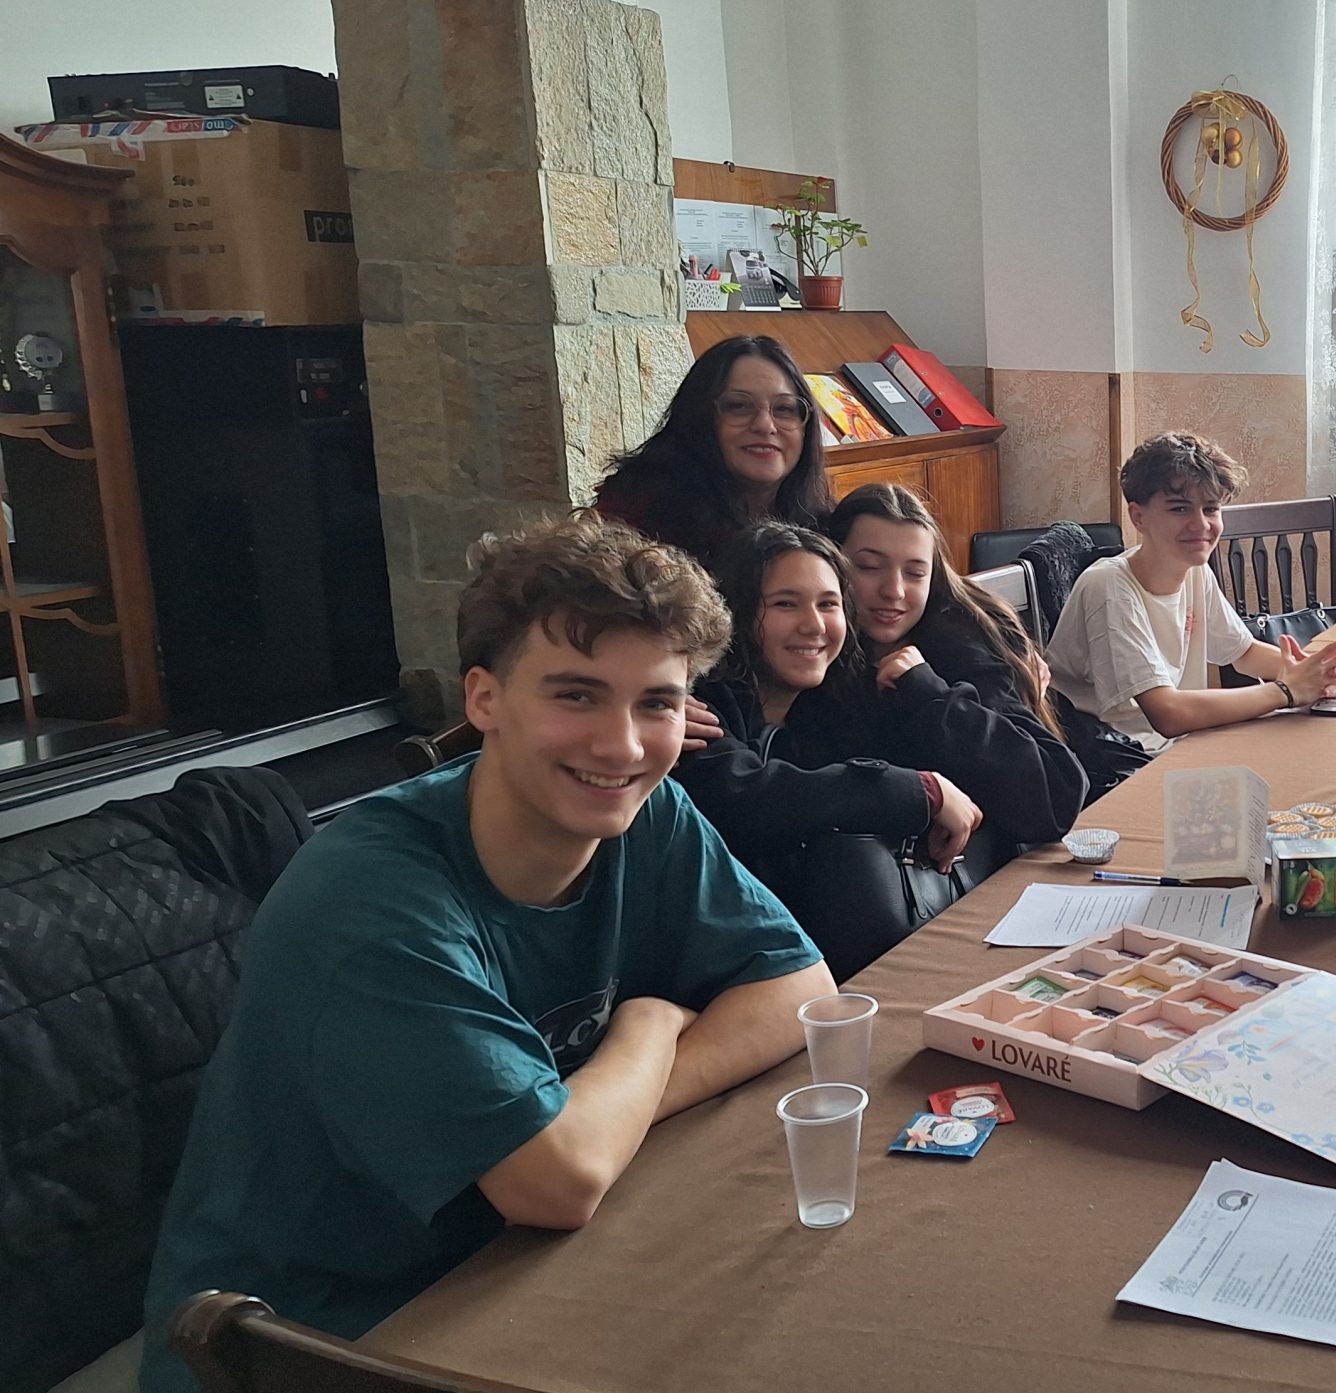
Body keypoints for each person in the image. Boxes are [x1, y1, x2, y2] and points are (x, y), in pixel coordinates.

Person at [139, 520, 832, 1392]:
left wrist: (602, 1111)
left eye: (657, 702)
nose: (622, 745)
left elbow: (800, 987)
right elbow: (558, 1181)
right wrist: (648, 1029)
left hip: (511, 1271)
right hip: (320, 1341)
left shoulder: (645, 811)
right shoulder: (367, 900)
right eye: (576, 695)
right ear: (484, 698)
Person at [676, 522, 1029, 975]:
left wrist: (936, 695)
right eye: (785, 604)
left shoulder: (834, 704)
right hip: (735, 970)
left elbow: (1042, 793)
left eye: (828, 604)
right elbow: (747, 799)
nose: (814, 625)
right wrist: (919, 791)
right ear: (739, 612)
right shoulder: (697, 707)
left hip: (841, 958)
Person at [1045, 432, 1336, 751]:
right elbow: (1168, 714)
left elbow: (1243, 653)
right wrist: (1286, 691)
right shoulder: (1109, 586)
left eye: (1211, 509)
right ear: (1139, 517)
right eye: (1180, 509)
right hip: (1118, 757)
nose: (1201, 525)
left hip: (1176, 744)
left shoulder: (1194, 569)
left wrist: (1312, 672)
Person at [826, 482, 1094, 820]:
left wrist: (929, 696)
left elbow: (1058, 794)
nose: (894, 591)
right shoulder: (817, 656)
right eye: (868, 567)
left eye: (915, 573)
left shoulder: (962, 647)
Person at [592, 334, 835, 566]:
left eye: (784, 409)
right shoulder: (634, 517)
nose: (765, 425)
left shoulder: (826, 526)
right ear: (699, 417)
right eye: (738, 406)